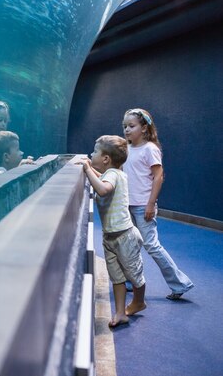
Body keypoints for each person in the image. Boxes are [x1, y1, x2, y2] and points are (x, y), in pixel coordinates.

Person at [122, 108, 194, 300]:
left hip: (142, 206)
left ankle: (180, 284)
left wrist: (150, 204)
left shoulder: (150, 149)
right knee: (131, 245)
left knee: (152, 246)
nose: (127, 130)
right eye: (125, 126)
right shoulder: (126, 148)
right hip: (127, 205)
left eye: (131, 126)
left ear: (144, 128)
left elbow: (158, 176)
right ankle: (132, 281)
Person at [80, 135, 147, 328]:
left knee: (134, 274)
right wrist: (90, 168)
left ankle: (139, 301)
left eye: (94, 152)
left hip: (125, 236)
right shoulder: (113, 173)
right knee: (117, 277)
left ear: (106, 159)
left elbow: (102, 189)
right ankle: (120, 312)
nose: (91, 155)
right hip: (110, 237)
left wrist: (86, 168)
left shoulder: (113, 175)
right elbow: (100, 179)